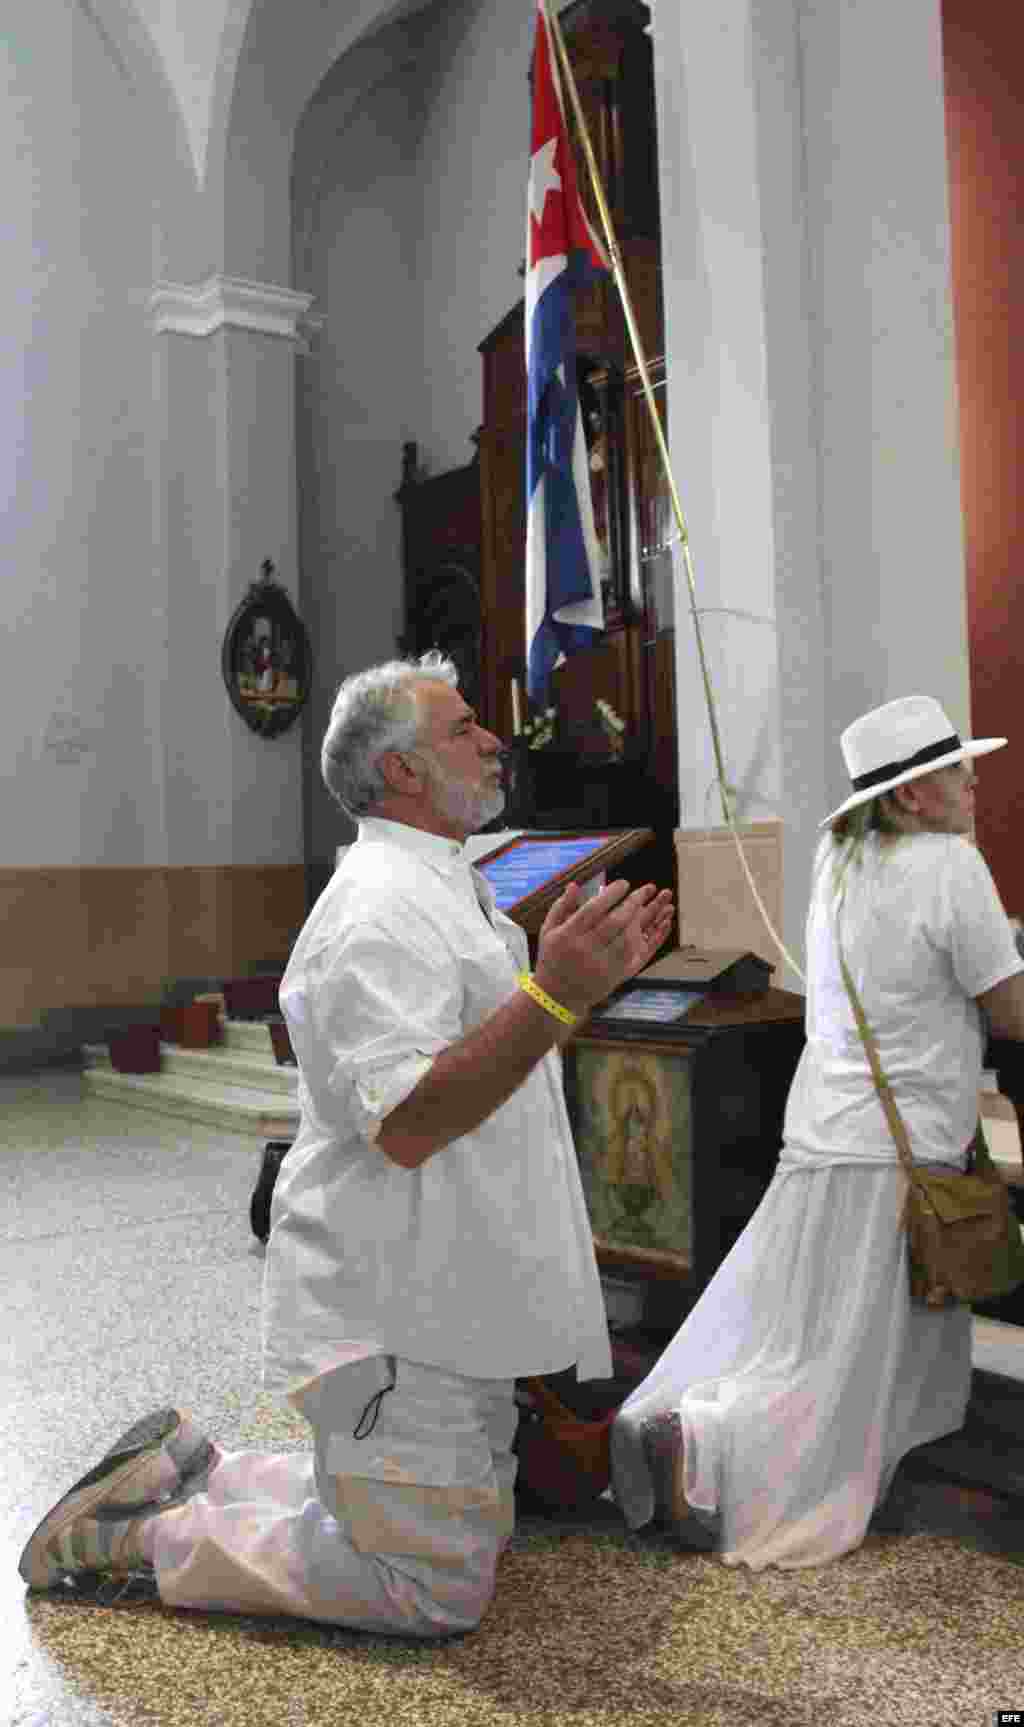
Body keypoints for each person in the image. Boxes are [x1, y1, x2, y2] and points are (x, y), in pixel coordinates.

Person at [20, 652, 673, 1633]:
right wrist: (557, 990)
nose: (493, 738)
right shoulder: (376, 909)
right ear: (402, 769)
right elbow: (408, 1119)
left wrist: (559, 990)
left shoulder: (448, 886)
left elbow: (492, 1054)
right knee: (432, 1589)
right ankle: (128, 1538)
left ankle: (207, 1471)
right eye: (462, 727)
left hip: (450, 1287)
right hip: (395, 1305)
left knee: (473, 1530)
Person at [611, 694, 1024, 1570]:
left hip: (822, 1135)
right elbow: (1010, 1008)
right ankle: (717, 1451)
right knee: (836, 1368)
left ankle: (696, 1422)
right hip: (898, 1150)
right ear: (913, 796)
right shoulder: (951, 865)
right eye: (956, 769)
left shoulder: (839, 863)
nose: (972, 777)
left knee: (799, 1332)